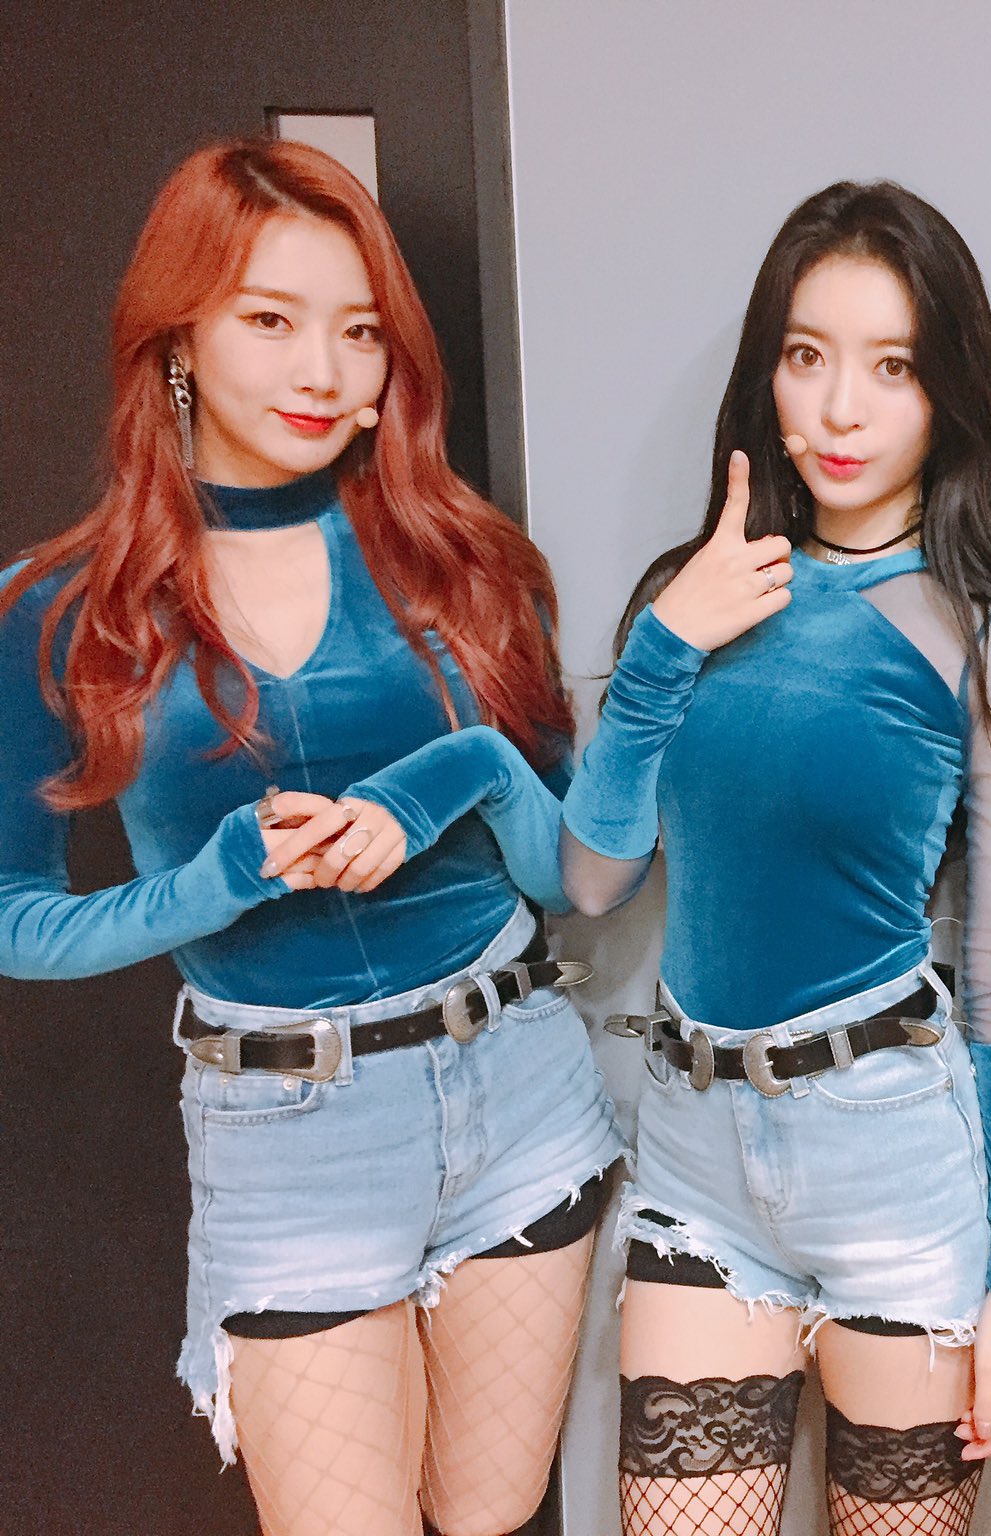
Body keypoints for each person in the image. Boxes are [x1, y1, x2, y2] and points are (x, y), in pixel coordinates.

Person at [0, 138, 622, 1536]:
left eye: (360, 332)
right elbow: (13, 919)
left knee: (488, 1516)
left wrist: (459, 778)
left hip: (516, 1088)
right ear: (177, 339)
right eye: (271, 321)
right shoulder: (56, 606)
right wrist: (211, 884)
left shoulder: (467, 562)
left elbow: (569, 875)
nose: (324, 373)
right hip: (291, 1133)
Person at [556, 181, 991, 1536]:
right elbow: (593, 880)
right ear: (768, 373)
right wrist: (662, 646)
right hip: (694, 1161)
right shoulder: (693, 594)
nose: (842, 408)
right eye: (808, 356)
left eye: (892, 366)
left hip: (893, 1159)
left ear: (949, 391)